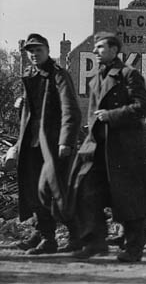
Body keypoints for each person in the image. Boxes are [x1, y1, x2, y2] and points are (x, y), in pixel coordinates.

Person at [68, 32, 146, 262]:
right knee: (85, 188)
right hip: (99, 146)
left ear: (115, 50)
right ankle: (95, 241)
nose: (95, 51)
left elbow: (143, 107)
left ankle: (134, 248)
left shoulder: (128, 75)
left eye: (100, 47)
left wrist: (111, 115)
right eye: (95, 48)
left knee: (131, 200)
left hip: (126, 148)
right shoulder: (96, 79)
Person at [15, 34, 81, 255]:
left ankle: (73, 236)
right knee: (35, 190)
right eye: (30, 51)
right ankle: (45, 235)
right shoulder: (30, 74)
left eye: (38, 50)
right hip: (33, 143)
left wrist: (66, 141)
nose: (34, 54)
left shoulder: (58, 75)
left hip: (53, 144)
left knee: (55, 190)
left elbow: (71, 110)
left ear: (48, 50)